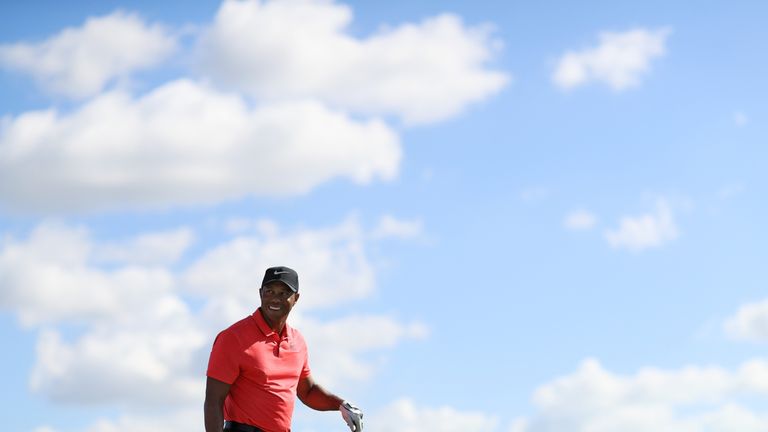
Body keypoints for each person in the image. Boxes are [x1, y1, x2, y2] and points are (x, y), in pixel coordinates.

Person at [204, 266, 364, 432]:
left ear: (296, 298)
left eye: (283, 293)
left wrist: (340, 405)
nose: (275, 299)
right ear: (260, 293)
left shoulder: (297, 341)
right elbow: (213, 401)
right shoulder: (233, 338)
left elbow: (307, 392)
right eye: (269, 292)